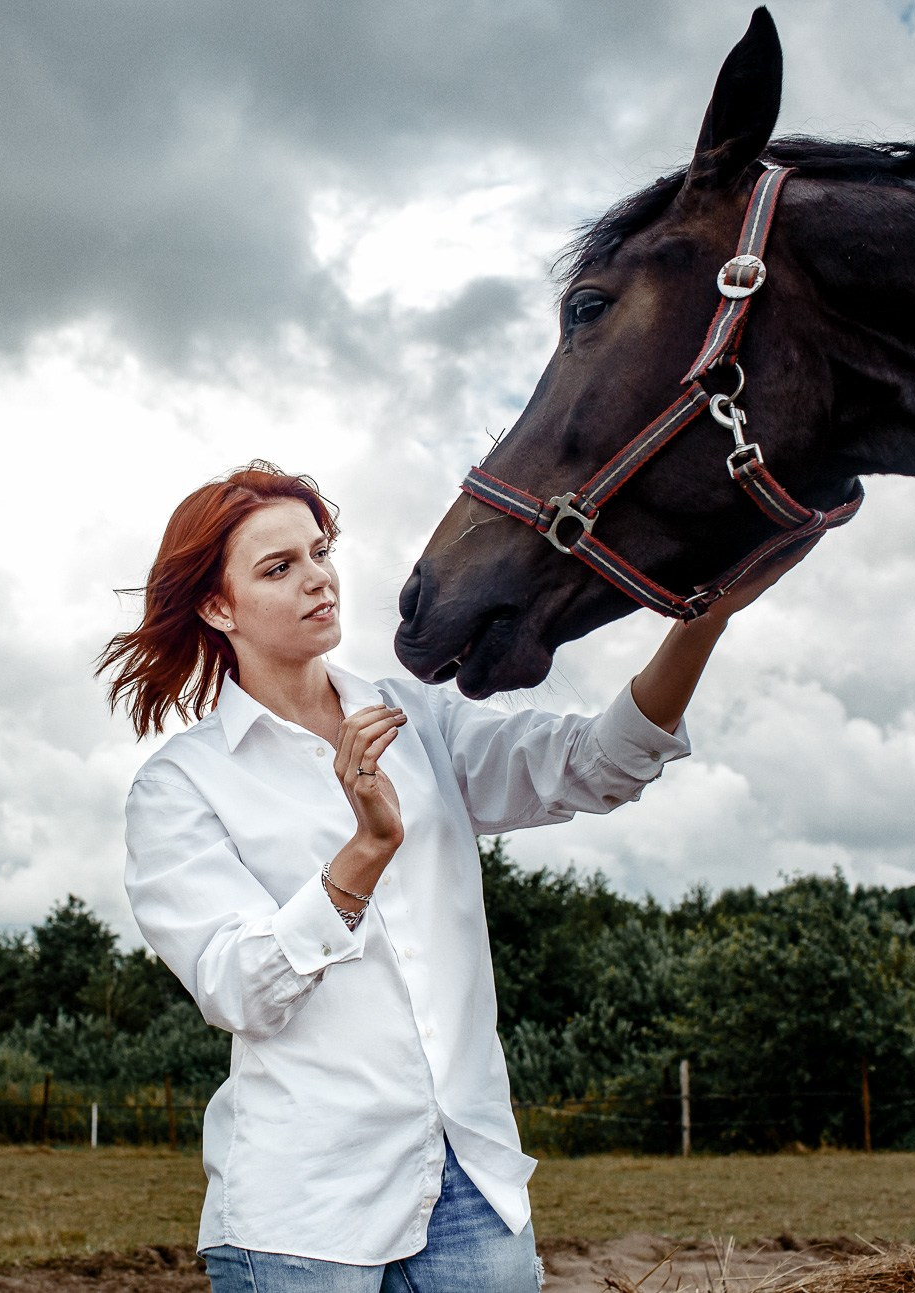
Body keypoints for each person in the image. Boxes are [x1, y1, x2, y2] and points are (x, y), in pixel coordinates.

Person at [99, 462, 806, 1292]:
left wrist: (702, 620)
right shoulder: (180, 786)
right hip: (302, 1209)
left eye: (320, 551)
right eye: (278, 567)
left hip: (471, 1179)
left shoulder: (417, 717)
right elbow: (238, 991)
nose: (318, 578)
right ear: (218, 607)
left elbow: (596, 764)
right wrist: (365, 850)